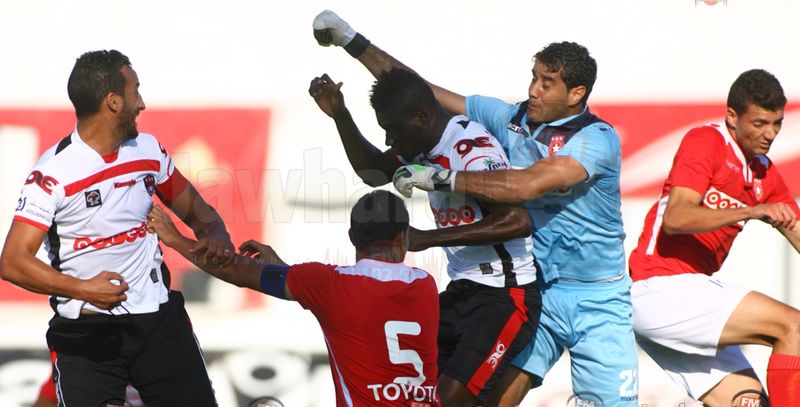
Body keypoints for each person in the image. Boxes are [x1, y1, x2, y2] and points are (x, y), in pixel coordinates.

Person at [312, 11, 639, 406]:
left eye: (546, 83)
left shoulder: (596, 139)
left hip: (594, 297)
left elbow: (525, 186)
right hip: (535, 285)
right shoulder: (509, 118)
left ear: (575, 94)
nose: (533, 90)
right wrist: (350, 40)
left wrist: (439, 181)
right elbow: (420, 91)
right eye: (534, 77)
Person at [0, 49, 232, 406]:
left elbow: (202, 215)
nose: (142, 103)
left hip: (158, 324)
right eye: (135, 91)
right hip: (88, 335)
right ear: (113, 101)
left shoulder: (148, 150)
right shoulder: (52, 173)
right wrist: (84, 289)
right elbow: (13, 261)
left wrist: (216, 237)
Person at [309, 68, 542, 406]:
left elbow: (518, 221)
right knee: (412, 390)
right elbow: (373, 173)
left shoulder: (471, 150)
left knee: (444, 402)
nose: (389, 141)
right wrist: (340, 115)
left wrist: (429, 238)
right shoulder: (420, 144)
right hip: (463, 290)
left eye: (393, 130)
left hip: (506, 297)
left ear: (421, 116)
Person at [146, 190, 442, 406]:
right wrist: (281, 270)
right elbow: (364, 306)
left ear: (352, 236)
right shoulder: (425, 285)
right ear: (403, 237)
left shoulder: (330, 284)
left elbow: (233, 270)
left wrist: (175, 239)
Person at [627, 69, 800, 406]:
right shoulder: (707, 141)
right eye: (760, 123)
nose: (770, 134)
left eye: (777, 124)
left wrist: (760, 210)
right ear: (732, 116)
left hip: (687, 306)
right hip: (660, 288)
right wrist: (750, 211)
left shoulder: (764, 173)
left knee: (750, 403)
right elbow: (676, 218)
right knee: (793, 326)